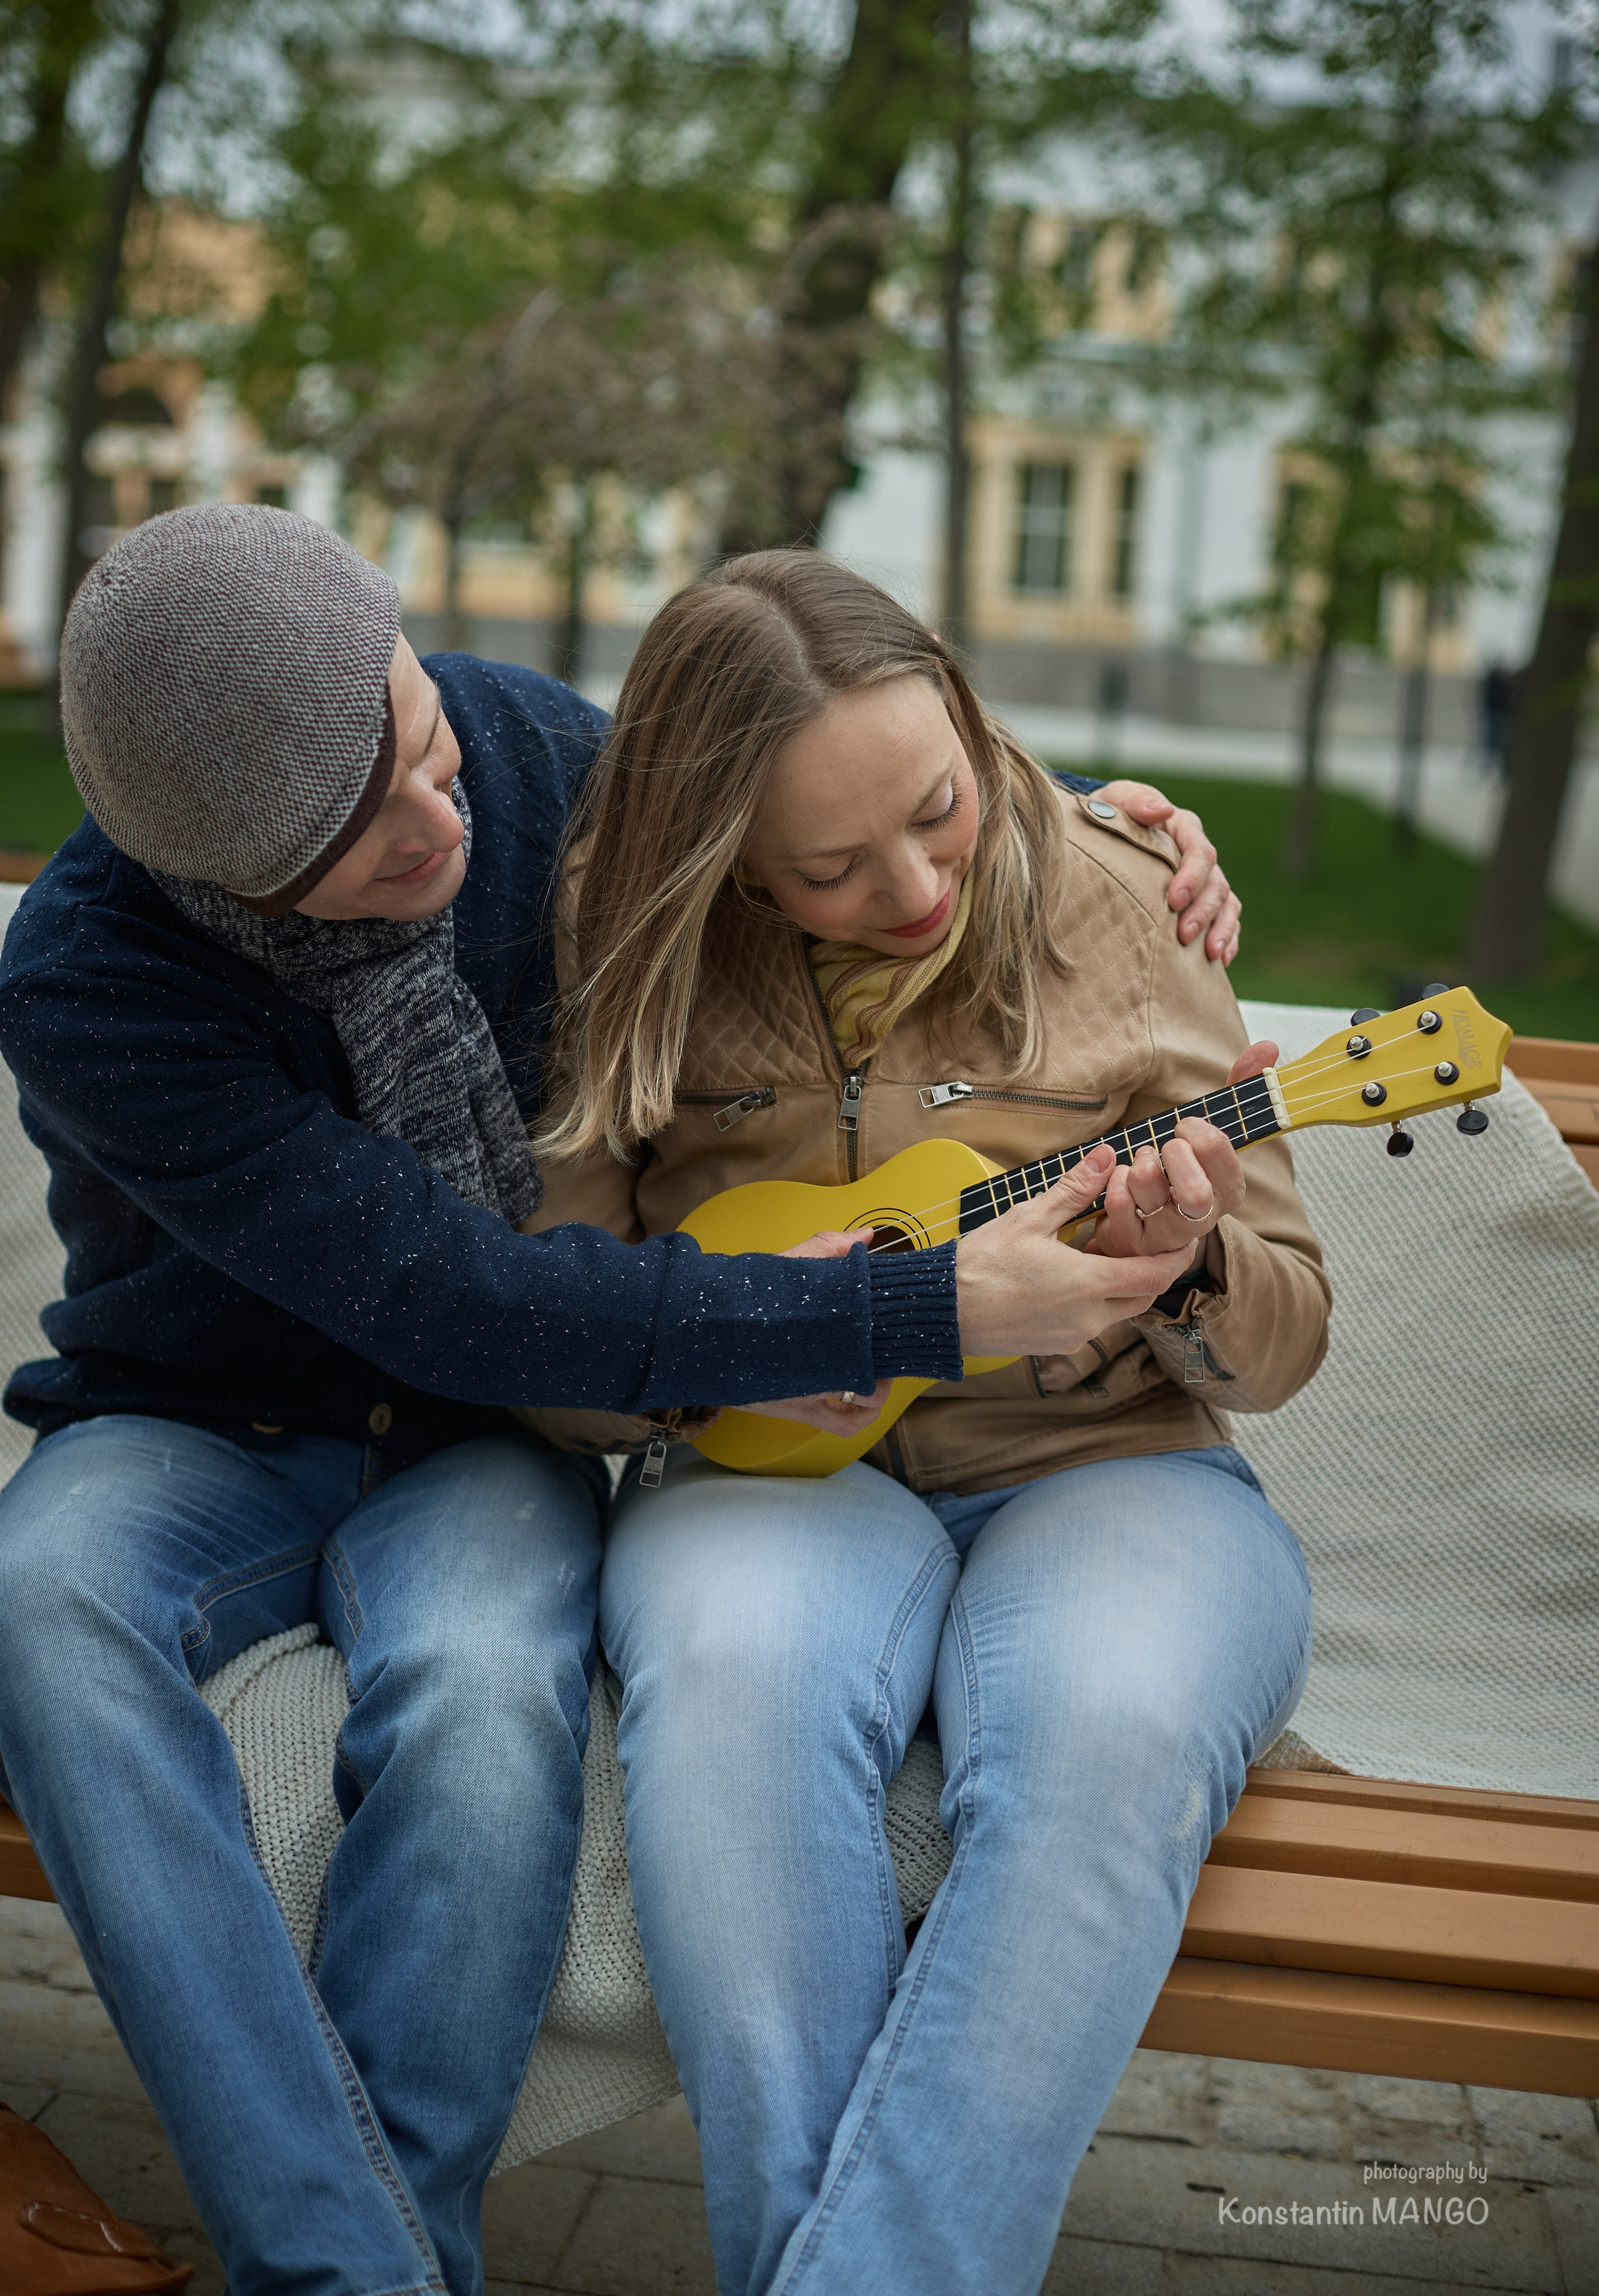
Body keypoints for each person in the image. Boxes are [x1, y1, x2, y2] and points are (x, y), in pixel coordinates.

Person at [0, 505, 1237, 2296]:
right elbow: (461, 1298)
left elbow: (821, 754)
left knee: (485, 1689)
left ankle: (382, 2258)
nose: (440, 827)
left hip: (477, 1452)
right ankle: (351, 2273)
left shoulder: (524, 751)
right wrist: (914, 1304)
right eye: (353, 843)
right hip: (201, 1424)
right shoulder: (92, 980)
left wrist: (1088, 825)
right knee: (38, 1606)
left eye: (418, 744)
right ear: (211, 879)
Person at [526, 548, 1330, 2296]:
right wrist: (732, 1346)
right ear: (720, 848)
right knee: (734, 1692)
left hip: (1108, 1466)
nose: (911, 887)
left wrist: (1188, 1265)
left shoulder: (1130, 888)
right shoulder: (625, 922)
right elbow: (555, 1337)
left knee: (1112, 1727)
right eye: (829, 868)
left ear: (964, 717)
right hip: (765, 1474)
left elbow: (1286, 1336)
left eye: (941, 810)